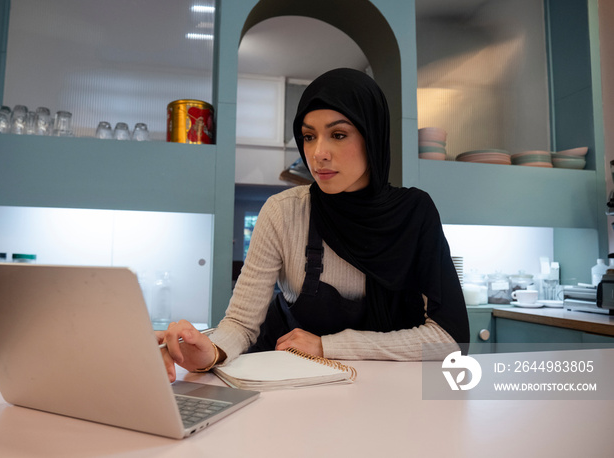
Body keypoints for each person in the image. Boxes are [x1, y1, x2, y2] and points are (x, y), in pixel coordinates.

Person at [159, 68, 469, 382]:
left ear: (371, 136)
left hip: (386, 396)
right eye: (309, 136)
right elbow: (240, 323)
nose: (318, 153)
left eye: (338, 134)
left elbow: (448, 340)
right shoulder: (284, 212)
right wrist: (210, 352)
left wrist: (327, 346)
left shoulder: (414, 214)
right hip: (293, 392)